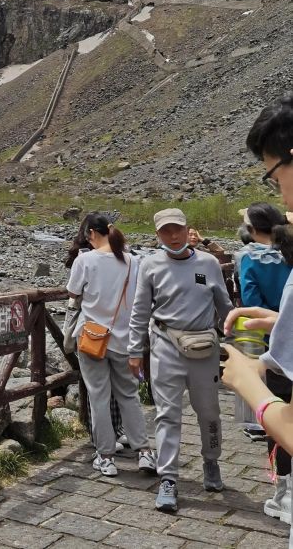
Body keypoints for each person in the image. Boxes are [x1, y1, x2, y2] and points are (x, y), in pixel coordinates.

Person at [128, 207, 232, 514]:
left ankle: (211, 462)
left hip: (204, 349)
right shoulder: (149, 265)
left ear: (188, 230)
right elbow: (139, 310)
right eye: (166, 231)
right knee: (167, 415)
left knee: (209, 412)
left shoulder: (209, 263)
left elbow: (225, 305)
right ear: (157, 234)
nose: (173, 236)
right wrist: (135, 350)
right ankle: (168, 479)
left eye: (178, 229)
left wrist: (239, 342)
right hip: (165, 347)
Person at [223, 96, 293, 547]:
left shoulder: (248, 257)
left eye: (273, 175)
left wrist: (250, 386)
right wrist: (280, 321)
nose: (282, 196)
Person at [66, 212, 156, 478]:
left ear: (91, 234)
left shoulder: (85, 260)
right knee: (128, 396)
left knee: (99, 397)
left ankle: (105, 456)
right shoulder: (133, 261)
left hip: (93, 338)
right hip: (125, 339)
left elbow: (73, 293)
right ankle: (144, 452)